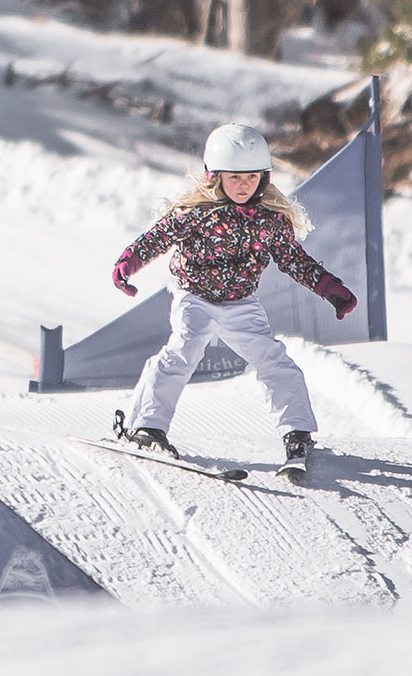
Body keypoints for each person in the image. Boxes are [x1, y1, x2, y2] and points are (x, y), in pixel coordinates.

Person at [109, 122, 357, 466]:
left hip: (240, 303)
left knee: (272, 358)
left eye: (252, 178)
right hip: (193, 296)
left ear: (264, 179)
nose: (244, 185)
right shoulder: (195, 214)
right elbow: (156, 239)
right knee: (183, 351)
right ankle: (148, 427)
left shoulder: (269, 222)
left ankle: (297, 431)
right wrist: (128, 264)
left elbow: (293, 259)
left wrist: (330, 288)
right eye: (235, 177)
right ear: (215, 177)